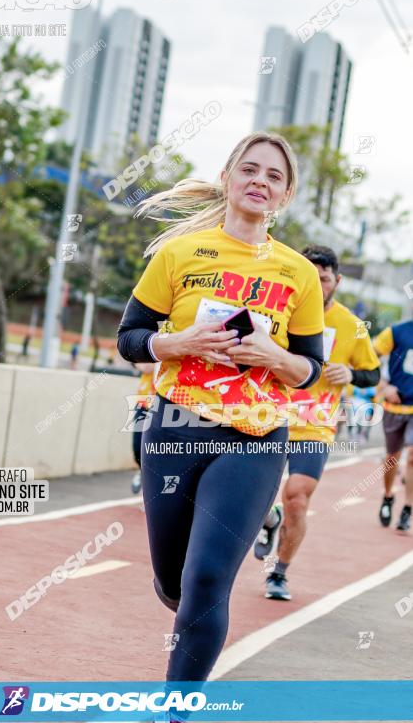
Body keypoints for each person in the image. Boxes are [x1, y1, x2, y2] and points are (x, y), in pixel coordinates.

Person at [117, 131, 324, 684]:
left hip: (253, 438)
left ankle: (178, 709)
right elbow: (130, 337)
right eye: (251, 170)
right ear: (229, 179)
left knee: (208, 581)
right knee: (175, 585)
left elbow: (309, 370)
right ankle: (206, 583)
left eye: (275, 176)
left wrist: (273, 354)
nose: (261, 181)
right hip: (177, 427)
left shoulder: (297, 272)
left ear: (285, 195)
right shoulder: (179, 253)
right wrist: (175, 344)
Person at [254, 245, 380, 600]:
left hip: (316, 424)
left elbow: (372, 374)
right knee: (256, 497)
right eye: (310, 276)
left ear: (336, 281)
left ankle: (278, 574)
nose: (317, 284)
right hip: (266, 415)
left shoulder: (351, 326)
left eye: (324, 279)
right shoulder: (277, 310)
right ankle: (268, 520)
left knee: (296, 497)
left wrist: (352, 373)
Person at [373, 318, 413, 531]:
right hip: (395, 405)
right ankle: (388, 496)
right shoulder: (395, 332)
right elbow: (367, 357)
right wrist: (384, 386)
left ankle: (407, 508)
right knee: (392, 458)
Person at [130, 362, 157, 494]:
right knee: (137, 445)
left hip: (163, 403)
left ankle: (151, 484)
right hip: (144, 400)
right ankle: (141, 471)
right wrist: (139, 364)